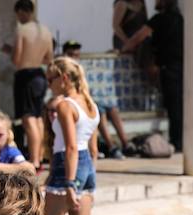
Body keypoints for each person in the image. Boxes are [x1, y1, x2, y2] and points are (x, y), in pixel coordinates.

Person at [43, 57, 100, 215]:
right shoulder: (90, 104)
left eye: (51, 79)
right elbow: (93, 149)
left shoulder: (66, 106)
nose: (49, 85)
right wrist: (87, 177)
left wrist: (69, 183)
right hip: (87, 167)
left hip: (67, 166)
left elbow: (70, 147)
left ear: (64, 78)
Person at [122, 0, 183, 152]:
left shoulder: (159, 19)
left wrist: (125, 48)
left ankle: (177, 142)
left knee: (174, 107)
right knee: (178, 106)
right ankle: (179, 140)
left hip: (169, 68)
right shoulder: (179, 19)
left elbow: (139, 37)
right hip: (181, 67)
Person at [62, 40, 131, 160]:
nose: (74, 58)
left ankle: (126, 143)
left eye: (76, 55)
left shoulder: (79, 69)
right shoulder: (64, 70)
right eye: (71, 55)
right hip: (75, 103)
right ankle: (111, 146)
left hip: (84, 100)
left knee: (111, 108)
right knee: (99, 110)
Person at [8, 0, 53, 170]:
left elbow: (16, 59)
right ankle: (40, 156)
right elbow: (49, 58)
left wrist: (12, 52)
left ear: (21, 11)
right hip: (39, 75)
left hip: (25, 76)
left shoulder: (22, 30)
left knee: (28, 119)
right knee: (38, 117)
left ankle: (34, 160)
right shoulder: (46, 31)